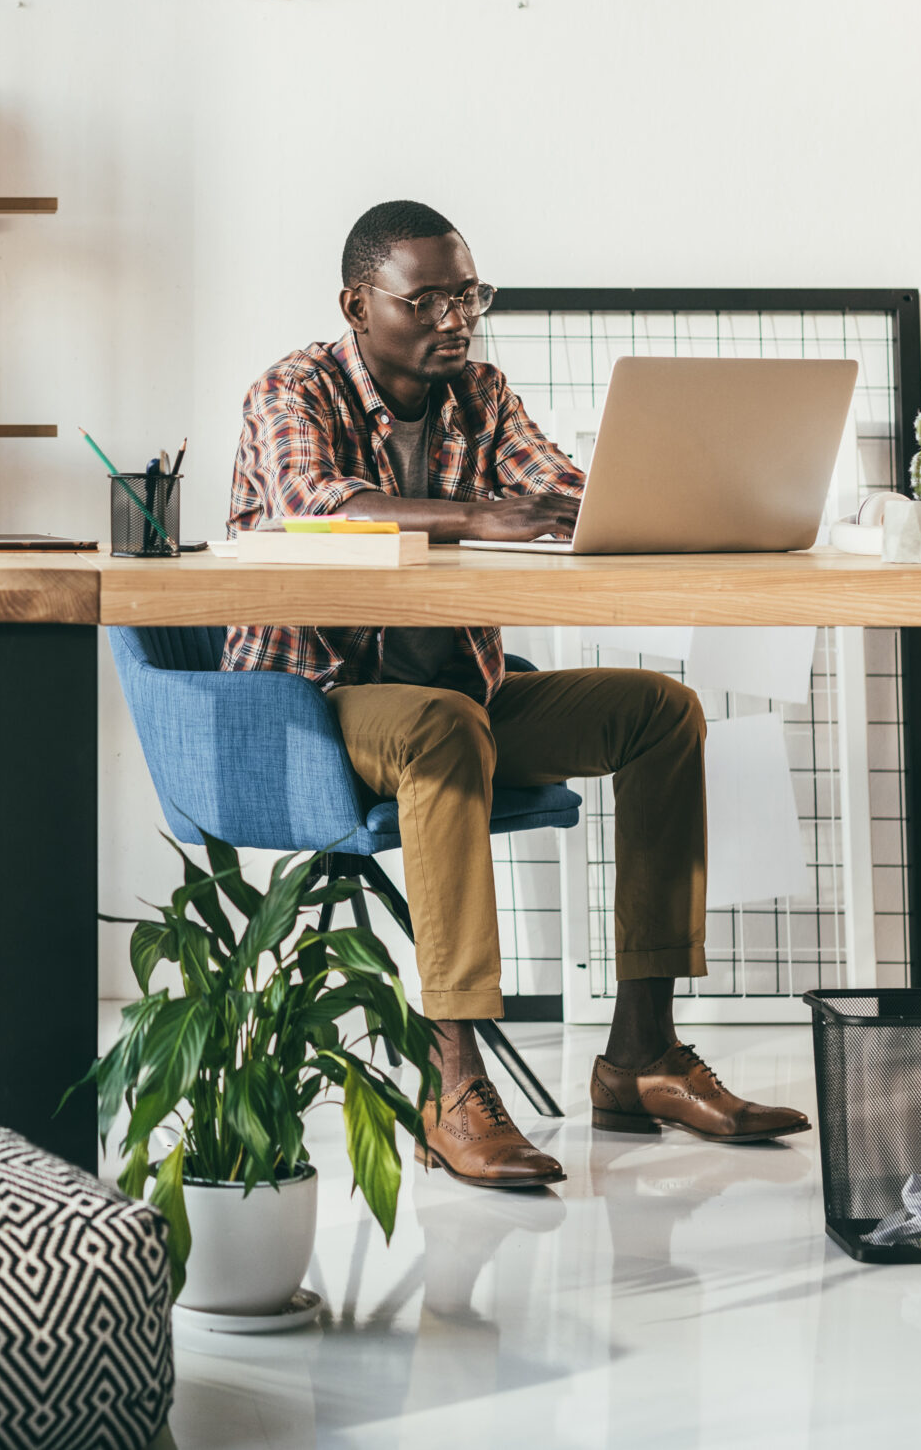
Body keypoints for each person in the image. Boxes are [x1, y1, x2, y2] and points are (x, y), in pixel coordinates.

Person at [227, 199, 807, 1190]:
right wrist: (478, 517)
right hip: (315, 706)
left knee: (660, 713)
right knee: (444, 726)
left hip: (462, 695)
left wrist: (679, 497)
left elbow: (555, 486)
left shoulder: (480, 392)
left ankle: (642, 1053)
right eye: (427, 301)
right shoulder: (294, 388)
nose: (455, 320)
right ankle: (452, 1083)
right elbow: (314, 502)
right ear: (358, 305)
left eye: (468, 296)